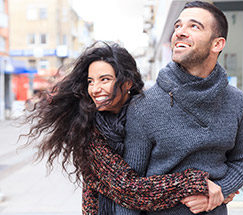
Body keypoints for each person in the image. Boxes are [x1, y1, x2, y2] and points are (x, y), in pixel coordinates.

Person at [23, 41, 228, 215]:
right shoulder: (89, 131)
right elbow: (129, 189)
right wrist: (195, 182)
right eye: (90, 81)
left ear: (127, 83)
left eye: (105, 79)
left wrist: (222, 187)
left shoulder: (147, 114)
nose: (95, 89)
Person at [115, 1, 243, 215]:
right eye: (178, 26)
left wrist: (217, 193)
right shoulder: (144, 105)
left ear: (217, 44)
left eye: (194, 26)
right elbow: (129, 191)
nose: (180, 32)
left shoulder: (235, 100)